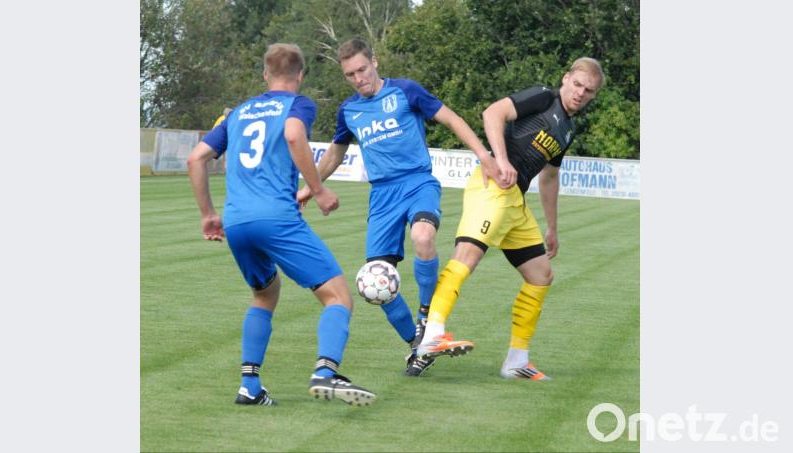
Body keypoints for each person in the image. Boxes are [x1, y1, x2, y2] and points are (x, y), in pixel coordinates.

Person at [297, 38, 505, 377]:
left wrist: (484, 156)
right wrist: (310, 187)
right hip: (382, 196)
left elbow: (451, 119)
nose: (358, 78)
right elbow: (336, 152)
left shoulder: (406, 91)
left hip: (417, 183)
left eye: (362, 69)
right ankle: (418, 345)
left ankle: (427, 317)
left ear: (375, 62)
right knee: (372, 284)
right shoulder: (349, 111)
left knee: (424, 238)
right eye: (350, 74)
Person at [187, 43, 375, 406]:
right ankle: (325, 372)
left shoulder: (238, 112)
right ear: (300, 75)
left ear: (264, 75)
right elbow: (293, 134)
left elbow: (196, 158)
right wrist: (317, 190)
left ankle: (249, 386)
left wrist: (208, 214)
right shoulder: (298, 104)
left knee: (265, 294)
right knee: (338, 296)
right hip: (276, 216)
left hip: (237, 222)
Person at [416, 57, 605, 381]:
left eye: (588, 91)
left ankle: (516, 361)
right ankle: (432, 334)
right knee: (467, 256)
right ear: (565, 79)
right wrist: (499, 160)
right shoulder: (543, 98)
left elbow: (549, 178)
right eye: (577, 85)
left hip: (514, 201)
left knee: (541, 275)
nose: (580, 93)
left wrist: (553, 227)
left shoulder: (568, 129)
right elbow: (493, 112)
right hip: (493, 187)